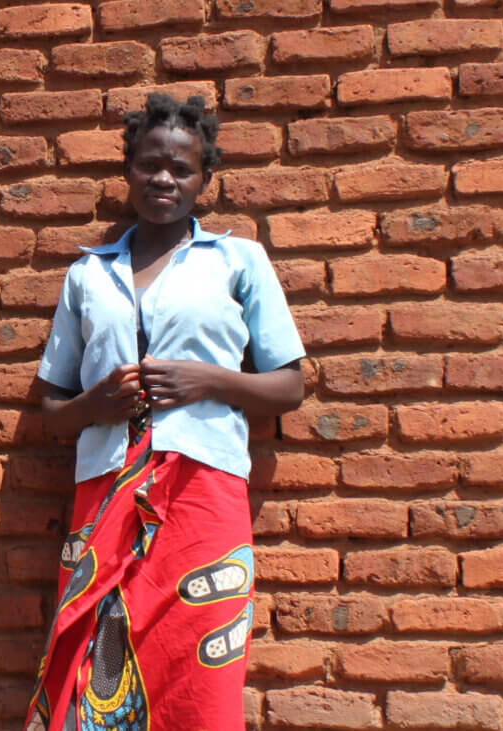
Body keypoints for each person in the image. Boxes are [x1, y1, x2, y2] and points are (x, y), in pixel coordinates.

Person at [25, 93, 306, 731]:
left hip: (202, 492)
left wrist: (209, 380)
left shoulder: (238, 262)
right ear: (129, 169)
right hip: (105, 491)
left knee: (198, 664)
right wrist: (95, 403)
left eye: (182, 169)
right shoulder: (88, 275)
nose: (164, 179)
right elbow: (52, 411)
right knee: (94, 654)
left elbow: (290, 387)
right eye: (151, 164)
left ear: (204, 180)